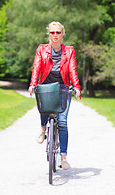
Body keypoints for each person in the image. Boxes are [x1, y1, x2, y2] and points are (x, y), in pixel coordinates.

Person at [28, 21, 81, 170]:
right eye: (52, 32)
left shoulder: (69, 50)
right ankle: (43, 128)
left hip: (63, 87)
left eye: (58, 32)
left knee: (63, 121)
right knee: (44, 108)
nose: (55, 35)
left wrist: (76, 87)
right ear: (48, 34)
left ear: (63, 33)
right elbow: (36, 68)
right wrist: (33, 84)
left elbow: (72, 70)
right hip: (46, 85)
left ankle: (63, 158)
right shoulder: (42, 49)